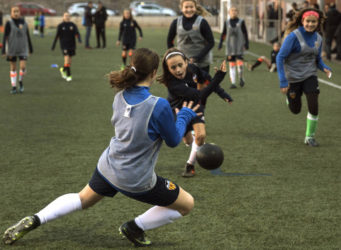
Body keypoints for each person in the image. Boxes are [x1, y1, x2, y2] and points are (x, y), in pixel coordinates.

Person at [2, 48, 201, 247]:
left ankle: (36, 218)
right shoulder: (158, 105)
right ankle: (134, 226)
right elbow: (174, 140)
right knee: (186, 204)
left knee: (82, 199)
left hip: (109, 165)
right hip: (136, 178)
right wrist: (184, 115)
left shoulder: (119, 97)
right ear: (153, 72)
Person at [158, 48, 232, 177]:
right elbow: (199, 95)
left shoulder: (193, 69)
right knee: (187, 140)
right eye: (173, 67)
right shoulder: (172, 84)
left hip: (195, 106)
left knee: (201, 136)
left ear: (186, 62)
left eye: (180, 65)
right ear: (168, 69)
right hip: (178, 110)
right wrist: (219, 76)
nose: (178, 70)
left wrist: (222, 94)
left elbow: (207, 79)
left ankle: (190, 165)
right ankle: (194, 144)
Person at [276, 8, 332, 147]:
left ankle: (309, 137)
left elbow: (317, 59)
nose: (310, 24)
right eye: (308, 21)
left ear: (318, 22)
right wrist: (283, 81)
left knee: (314, 105)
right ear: (303, 21)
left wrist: (324, 67)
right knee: (296, 110)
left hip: (310, 75)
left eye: (313, 22)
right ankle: (290, 98)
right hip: (293, 78)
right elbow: (280, 57)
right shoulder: (293, 37)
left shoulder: (318, 38)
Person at [167, 0, 214, 73]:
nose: (189, 10)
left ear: (195, 7)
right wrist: (175, 57)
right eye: (186, 7)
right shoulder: (176, 22)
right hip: (183, 65)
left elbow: (211, 42)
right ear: (181, 8)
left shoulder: (202, 22)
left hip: (201, 64)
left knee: (201, 84)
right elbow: (169, 41)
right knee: (184, 84)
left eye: (191, 7)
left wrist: (197, 58)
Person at [2, 6, 33, 94]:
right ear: (11, 13)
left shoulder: (24, 22)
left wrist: (30, 48)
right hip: (12, 48)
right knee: (13, 67)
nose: (16, 13)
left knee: (22, 67)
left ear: (20, 12)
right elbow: (5, 37)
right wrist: (4, 50)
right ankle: (14, 87)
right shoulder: (9, 23)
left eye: (17, 11)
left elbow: (27, 36)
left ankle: (20, 81)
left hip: (23, 48)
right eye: (14, 11)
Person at [218, 6, 249, 89]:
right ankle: (233, 83)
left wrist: (247, 43)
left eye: (235, 10)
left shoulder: (241, 22)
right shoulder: (226, 22)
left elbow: (245, 33)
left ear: (237, 12)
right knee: (231, 64)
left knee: (240, 63)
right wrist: (220, 43)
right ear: (229, 12)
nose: (234, 12)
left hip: (239, 46)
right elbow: (224, 33)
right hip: (230, 47)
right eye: (232, 11)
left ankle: (241, 77)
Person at [51, 12, 82, 82]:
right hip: (64, 45)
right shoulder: (60, 26)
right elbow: (57, 36)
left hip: (72, 45)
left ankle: (63, 69)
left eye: (68, 16)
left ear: (70, 17)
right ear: (63, 17)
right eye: (65, 16)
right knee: (67, 60)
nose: (67, 17)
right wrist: (53, 45)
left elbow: (77, 33)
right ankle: (69, 75)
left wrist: (79, 39)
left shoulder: (73, 25)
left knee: (69, 62)